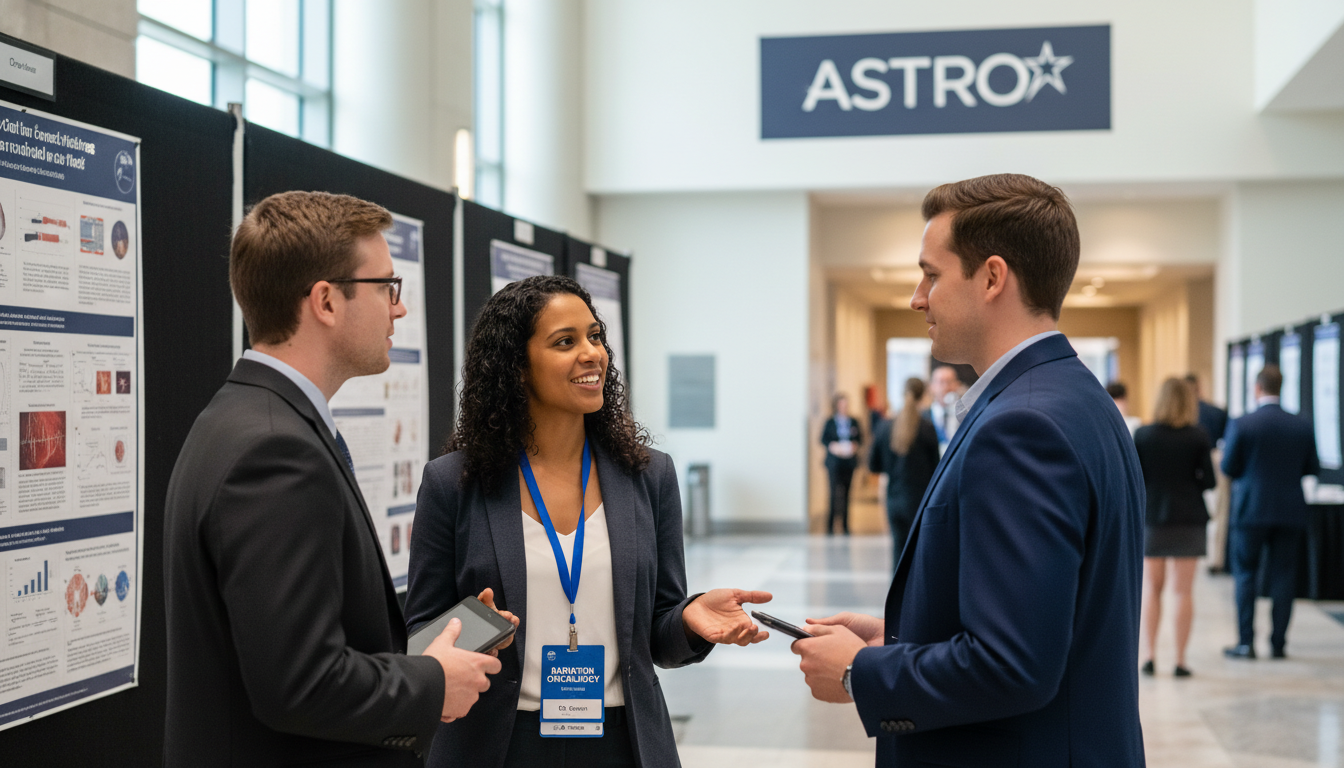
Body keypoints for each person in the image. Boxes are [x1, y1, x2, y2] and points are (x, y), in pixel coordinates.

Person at [791, 174, 1145, 768]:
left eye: (931, 274)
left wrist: (860, 672)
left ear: (992, 278)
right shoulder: (1074, 396)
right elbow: (1046, 615)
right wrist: (899, 638)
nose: (918, 297)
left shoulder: (1022, 426)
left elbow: (1012, 664)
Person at [163, 192, 500, 766]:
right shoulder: (276, 452)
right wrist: (434, 682)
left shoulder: (242, 416)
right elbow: (302, 683)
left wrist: (429, 654)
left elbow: (288, 646)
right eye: (386, 287)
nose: (399, 308)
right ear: (325, 301)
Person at [405, 275, 772, 768]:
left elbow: (657, 634)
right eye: (565, 342)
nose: (592, 354)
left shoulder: (649, 476)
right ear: (516, 367)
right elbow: (420, 638)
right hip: (496, 745)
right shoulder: (453, 483)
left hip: (622, 743)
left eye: (595, 336)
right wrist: (475, 627)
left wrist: (688, 619)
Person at [1221, 364, 1320, 660]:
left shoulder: (1243, 423)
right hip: (1289, 509)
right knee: (1284, 577)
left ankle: (1246, 643)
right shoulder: (1301, 425)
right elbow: (1311, 467)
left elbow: (1228, 466)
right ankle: (1278, 644)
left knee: (1246, 575)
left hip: (1250, 509)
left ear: (1257, 387)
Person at [1134, 377, 1216, 678]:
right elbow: (1209, 481)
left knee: (1151, 590)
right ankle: (1180, 660)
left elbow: (1136, 478)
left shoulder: (1143, 435)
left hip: (1153, 518)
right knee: (1182, 592)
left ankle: (1149, 656)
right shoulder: (1198, 436)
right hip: (1189, 518)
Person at [868, 377, 941, 566]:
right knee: (918, 554)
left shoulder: (884, 427)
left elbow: (873, 465)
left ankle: (896, 585)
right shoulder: (927, 428)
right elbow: (936, 468)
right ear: (923, 396)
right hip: (919, 500)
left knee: (898, 552)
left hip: (894, 499)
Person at [820, 393, 864, 535]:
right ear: (837, 406)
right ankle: (830, 526)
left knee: (847, 494)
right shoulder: (830, 422)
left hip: (849, 463)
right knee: (833, 494)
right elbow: (823, 439)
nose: (844, 407)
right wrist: (833, 446)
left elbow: (860, 438)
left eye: (846, 405)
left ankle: (845, 526)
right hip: (834, 463)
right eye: (842, 405)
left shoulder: (854, 421)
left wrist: (854, 446)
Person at [925, 365, 964, 454]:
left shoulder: (966, 415)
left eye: (949, 382)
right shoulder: (923, 417)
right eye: (941, 382)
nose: (946, 387)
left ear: (957, 385)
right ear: (932, 386)